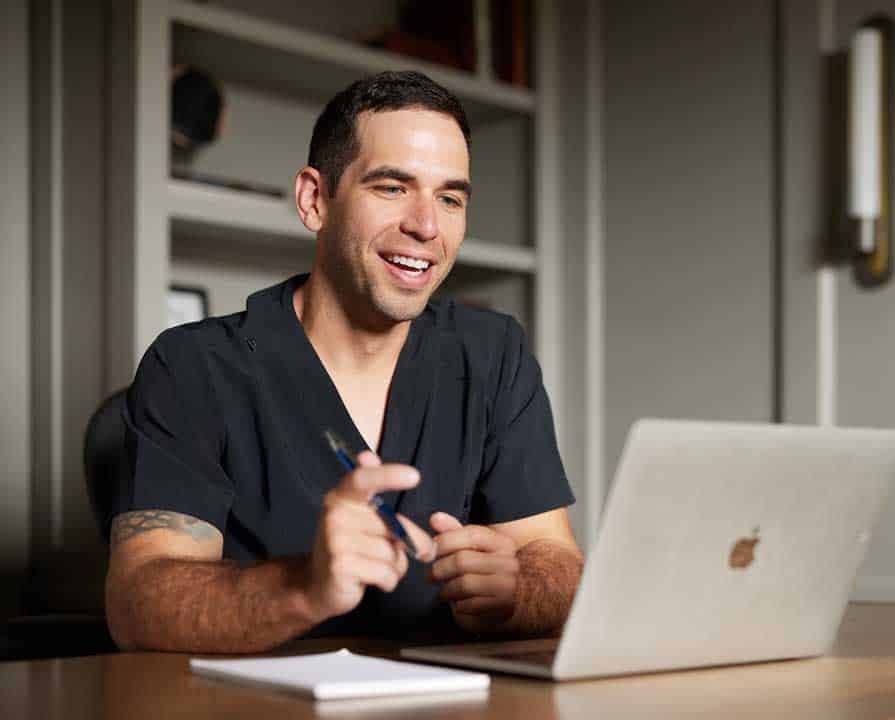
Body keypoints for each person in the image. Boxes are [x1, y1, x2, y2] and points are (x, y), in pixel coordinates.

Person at [105, 71, 583, 653]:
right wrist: (304, 585)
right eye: (391, 188)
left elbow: (558, 564)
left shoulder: (492, 354)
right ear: (315, 200)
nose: (426, 226)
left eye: (450, 198)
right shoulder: (192, 367)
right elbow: (137, 602)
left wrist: (517, 588)